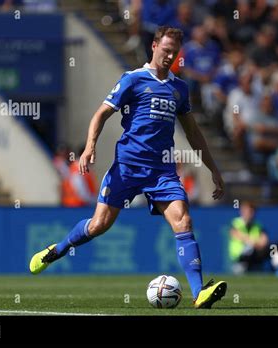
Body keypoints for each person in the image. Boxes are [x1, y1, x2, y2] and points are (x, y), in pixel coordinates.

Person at [29, 26, 227, 309]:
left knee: (183, 221)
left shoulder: (179, 89)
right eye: (166, 49)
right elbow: (101, 113)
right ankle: (57, 249)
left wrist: (213, 169)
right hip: (127, 167)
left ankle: (199, 293)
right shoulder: (133, 80)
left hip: (161, 172)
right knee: (99, 225)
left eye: (175, 51)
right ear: (154, 46)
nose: (170, 55)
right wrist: (90, 146)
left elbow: (194, 133)